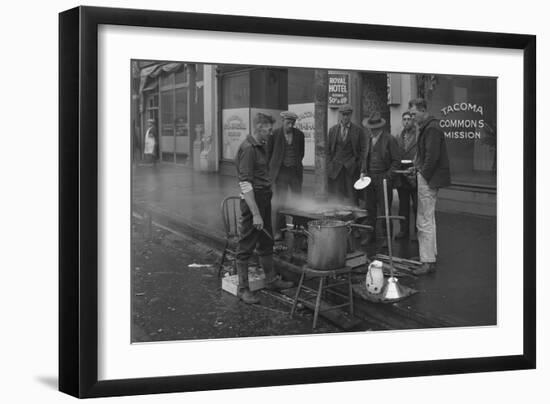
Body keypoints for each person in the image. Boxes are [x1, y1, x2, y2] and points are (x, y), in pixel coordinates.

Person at [235, 113, 294, 304]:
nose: (271, 131)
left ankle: (270, 281)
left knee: (266, 242)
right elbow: (245, 185)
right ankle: (243, 289)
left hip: (263, 200)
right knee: (246, 246)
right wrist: (256, 214)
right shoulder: (249, 149)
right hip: (253, 203)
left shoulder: (261, 146)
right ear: (260, 127)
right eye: (268, 127)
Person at [408, 98, 451, 275]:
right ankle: (429, 254)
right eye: (410, 114)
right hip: (429, 177)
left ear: (423, 110)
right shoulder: (429, 127)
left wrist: (422, 174)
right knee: (428, 218)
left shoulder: (431, 128)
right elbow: (426, 155)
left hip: (429, 179)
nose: (412, 117)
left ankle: (427, 261)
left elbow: (431, 157)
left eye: (413, 113)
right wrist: (417, 167)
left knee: (423, 220)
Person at [359, 111, 401, 246]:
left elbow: (396, 161)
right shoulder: (368, 139)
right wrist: (363, 172)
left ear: (380, 128)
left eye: (374, 129)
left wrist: (388, 177)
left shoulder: (390, 139)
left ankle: (386, 238)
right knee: (369, 209)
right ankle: (369, 235)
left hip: (383, 178)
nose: (372, 131)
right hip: (369, 178)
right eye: (370, 129)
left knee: (385, 210)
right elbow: (365, 158)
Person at [267, 111, 305, 240]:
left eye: (292, 123)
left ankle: (298, 228)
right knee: (280, 202)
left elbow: (301, 153)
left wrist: (293, 163)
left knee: (297, 202)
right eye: (288, 123)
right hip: (280, 172)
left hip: (294, 172)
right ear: (282, 121)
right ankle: (279, 231)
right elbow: (269, 154)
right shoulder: (274, 134)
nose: (290, 126)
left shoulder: (299, 135)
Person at [327, 104, 366, 205]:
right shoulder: (333, 130)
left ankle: (355, 218)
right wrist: (330, 164)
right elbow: (328, 150)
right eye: (343, 114)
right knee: (337, 197)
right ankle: (338, 219)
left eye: (347, 114)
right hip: (336, 169)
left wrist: (359, 166)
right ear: (340, 115)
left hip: (351, 168)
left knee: (352, 196)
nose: (345, 117)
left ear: (351, 115)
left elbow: (363, 151)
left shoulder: (358, 131)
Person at [395, 111, 418, 240]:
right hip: (401, 173)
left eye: (409, 119)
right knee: (403, 205)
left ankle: (416, 232)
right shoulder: (399, 136)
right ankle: (403, 230)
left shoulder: (419, 136)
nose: (406, 121)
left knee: (416, 206)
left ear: (413, 121)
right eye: (404, 119)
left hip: (414, 172)